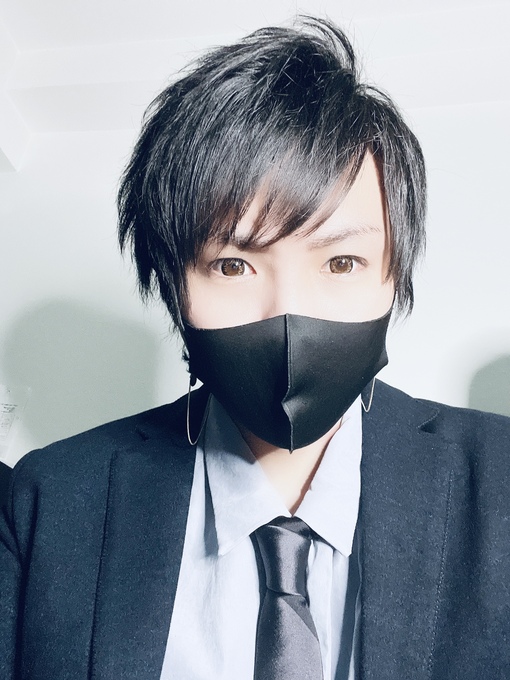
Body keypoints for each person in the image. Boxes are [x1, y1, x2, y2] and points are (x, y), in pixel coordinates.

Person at [1, 16, 509, 680]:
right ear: (174, 288)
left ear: (394, 277)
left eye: (342, 263)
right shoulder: (47, 499)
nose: (287, 315)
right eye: (233, 266)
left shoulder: (499, 479)